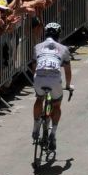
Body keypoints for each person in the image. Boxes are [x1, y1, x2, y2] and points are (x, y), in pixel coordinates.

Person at [30, 21, 72, 153]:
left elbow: (34, 66)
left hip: (39, 76)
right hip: (54, 79)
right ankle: (53, 133)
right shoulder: (64, 48)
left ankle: (35, 127)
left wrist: (37, 79)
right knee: (56, 105)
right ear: (59, 35)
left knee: (39, 98)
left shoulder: (37, 47)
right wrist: (68, 85)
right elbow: (67, 71)